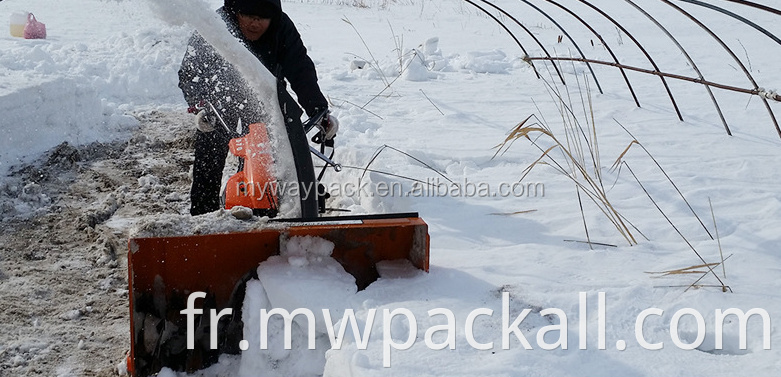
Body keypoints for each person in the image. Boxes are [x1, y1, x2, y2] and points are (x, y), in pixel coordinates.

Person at [178, 0, 338, 216]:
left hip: (266, 100)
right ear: (235, 13)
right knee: (209, 157)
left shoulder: (282, 28)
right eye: (248, 16)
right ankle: (203, 218)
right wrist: (200, 106)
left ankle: (274, 214)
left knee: (269, 161)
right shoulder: (215, 25)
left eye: (262, 18)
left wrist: (318, 110)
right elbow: (190, 73)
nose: (255, 23)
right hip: (218, 104)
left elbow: (300, 70)